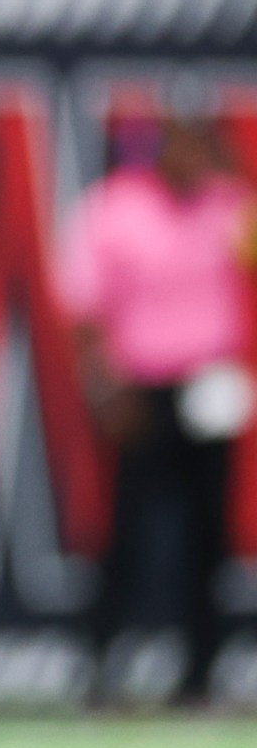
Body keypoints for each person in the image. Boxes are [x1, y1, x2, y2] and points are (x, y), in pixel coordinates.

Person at [58, 108, 255, 707]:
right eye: (179, 142)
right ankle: (102, 667)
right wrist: (103, 384)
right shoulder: (116, 208)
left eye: (201, 143)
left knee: (207, 540)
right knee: (127, 534)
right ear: (157, 146)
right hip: (140, 390)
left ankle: (199, 674)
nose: (189, 156)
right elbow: (83, 307)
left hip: (211, 387)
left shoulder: (232, 207)